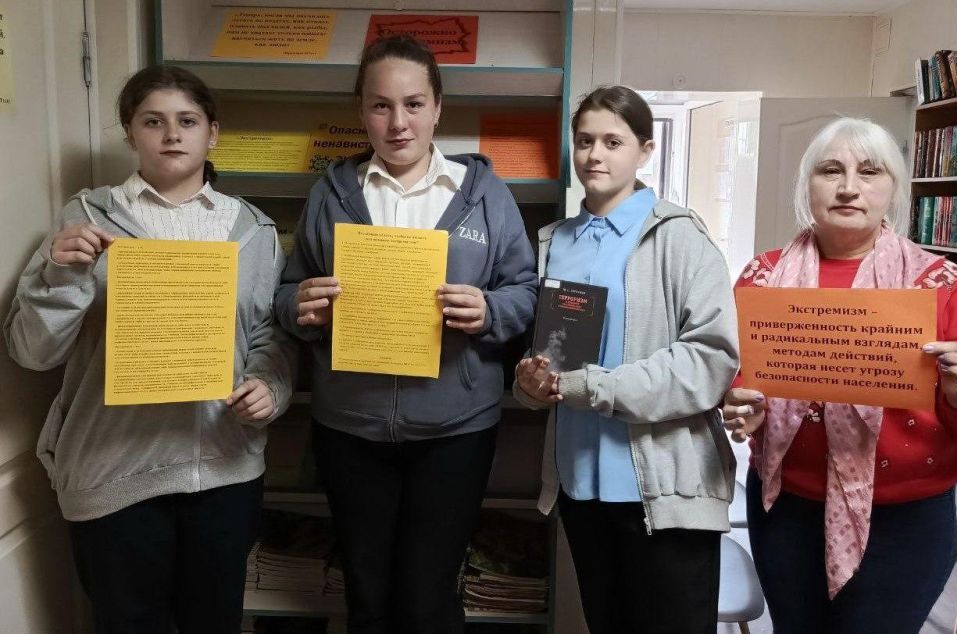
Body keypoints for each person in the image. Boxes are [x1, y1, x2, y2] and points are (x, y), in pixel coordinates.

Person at [3, 65, 295, 633]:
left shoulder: (254, 231)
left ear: (213, 133)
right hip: (114, 473)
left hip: (224, 471)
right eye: (153, 121)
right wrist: (62, 275)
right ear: (130, 132)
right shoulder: (85, 219)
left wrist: (270, 386)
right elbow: (32, 353)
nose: (172, 134)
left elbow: (268, 335)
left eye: (188, 121)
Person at [273, 35, 537, 634]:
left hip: (455, 431)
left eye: (414, 104)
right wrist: (302, 306)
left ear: (437, 108)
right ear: (361, 110)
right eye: (381, 105)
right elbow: (286, 294)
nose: (398, 123)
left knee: (428, 598)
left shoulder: (484, 194)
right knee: (367, 595)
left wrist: (490, 310)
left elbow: (525, 291)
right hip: (350, 427)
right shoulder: (331, 193)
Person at [723, 117, 957, 633]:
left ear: (894, 188)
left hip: (905, 521)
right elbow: (740, 374)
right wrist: (741, 401)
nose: (849, 187)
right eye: (831, 170)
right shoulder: (763, 278)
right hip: (785, 512)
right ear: (807, 184)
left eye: (870, 172)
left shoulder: (942, 285)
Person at [514, 85, 740, 634]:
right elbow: (547, 356)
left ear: (645, 150)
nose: (595, 155)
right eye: (584, 140)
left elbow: (710, 360)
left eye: (613, 142)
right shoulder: (554, 242)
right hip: (580, 487)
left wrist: (592, 387)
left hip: (664, 491)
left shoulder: (679, 236)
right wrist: (530, 382)